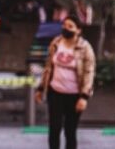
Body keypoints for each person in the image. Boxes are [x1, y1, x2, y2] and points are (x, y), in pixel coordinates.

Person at [35, 16, 96, 149]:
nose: (66, 28)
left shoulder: (85, 48)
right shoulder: (56, 43)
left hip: (74, 95)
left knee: (70, 130)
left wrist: (84, 97)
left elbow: (89, 73)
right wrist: (40, 88)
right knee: (54, 129)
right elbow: (48, 67)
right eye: (64, 25)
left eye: (70, 26)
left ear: (78, 30)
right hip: (55, 92)